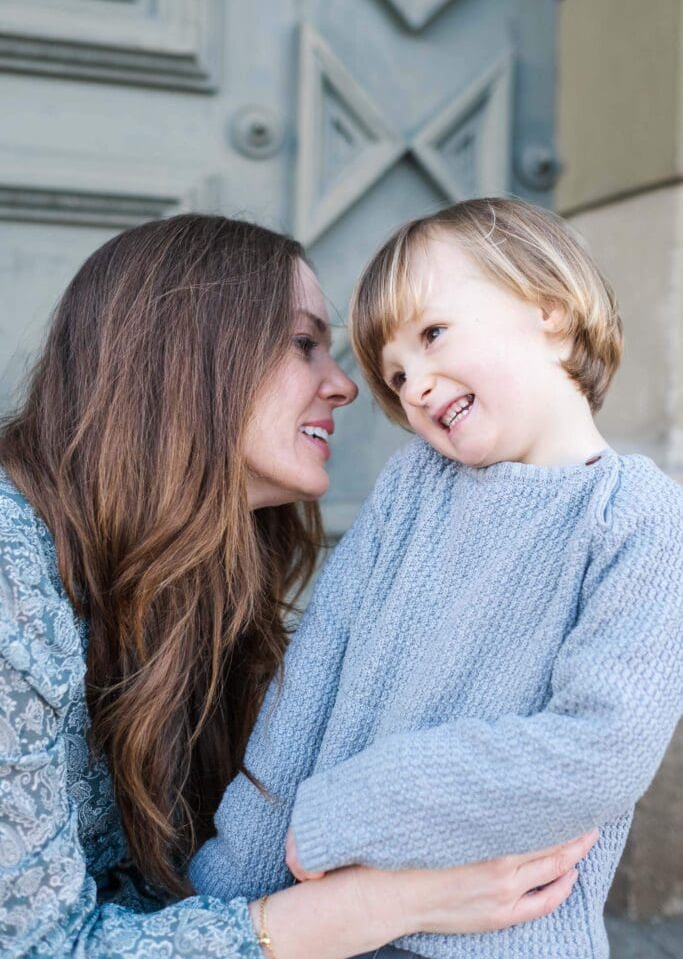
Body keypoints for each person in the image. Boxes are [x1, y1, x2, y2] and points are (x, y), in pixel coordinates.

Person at [0, 213, 592, 959]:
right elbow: (32, 946)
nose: (350, 386)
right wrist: (378, 906)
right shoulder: (10, 571)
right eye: (305, 343)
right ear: (185, 357)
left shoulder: (205, 573)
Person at [191, 199, 683, 959]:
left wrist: (352, 810)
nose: (414, 385)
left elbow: (599, 751)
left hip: (506, 940)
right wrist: (221, 893)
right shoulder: (411, 490)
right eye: (394, 373)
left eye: (432, 335)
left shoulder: (639, 518)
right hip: (324, 925)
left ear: (547, 309)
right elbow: (309, 687)